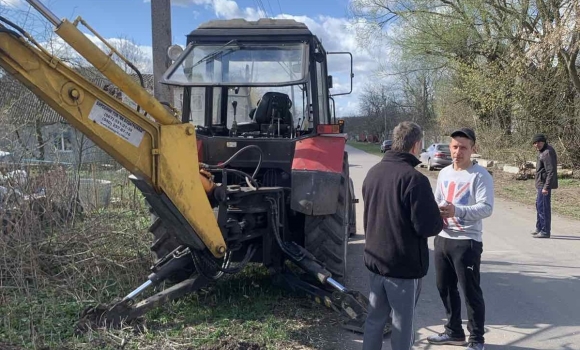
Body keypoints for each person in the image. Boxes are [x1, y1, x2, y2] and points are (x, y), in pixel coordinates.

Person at [362, 121, 443, 350]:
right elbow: (426, 227)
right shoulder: (415, 180)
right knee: (402, 326)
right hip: (403, 267)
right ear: (416, 145)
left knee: (374, 321)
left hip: (376, 261)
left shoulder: (373, 172)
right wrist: (439, 215)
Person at [427, 128, 494, 350]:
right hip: (443, 238)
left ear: (473, 149)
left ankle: (476, 340)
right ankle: (454, 332)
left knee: (471, 292)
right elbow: (438, 199)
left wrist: (458, 211)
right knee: (444, 288)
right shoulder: (445, 172)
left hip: (467, 242)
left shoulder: (480, 175)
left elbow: (486, 208)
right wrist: (437, 211)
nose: (457, 152)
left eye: (463, 147)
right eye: (454, 147)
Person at [530, 133, 558, 238]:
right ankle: (539, 227)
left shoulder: (547, 153)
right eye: (535, 143)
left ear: (544, 142)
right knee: (539, 205)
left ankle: (545, 231)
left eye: (539, 142)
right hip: (541, 183)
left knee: (543, 208)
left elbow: (551, 171)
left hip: (544, 184)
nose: (537, 144)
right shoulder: (542, 152)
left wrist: (546, 187)